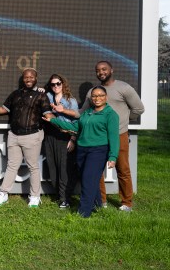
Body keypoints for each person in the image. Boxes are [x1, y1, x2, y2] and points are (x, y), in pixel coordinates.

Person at [0, 68, 51, 207]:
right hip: (14, 135)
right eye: (25, 77)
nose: (28, 79)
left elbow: (48, 114)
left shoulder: (41, 96)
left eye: (31, 77)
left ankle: (35, 197)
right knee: (12, 166)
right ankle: (3, 194)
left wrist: (60, 123)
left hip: (32, 135)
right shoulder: (15, 94)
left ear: (36, 78)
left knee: (33, 167)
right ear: (22, 79)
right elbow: (3, 110)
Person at [45, 86, 120, 217]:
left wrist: (113, 157)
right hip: (82, 150)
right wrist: (53, 120)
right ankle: (98, 205)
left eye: (100, 95)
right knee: (92, 180)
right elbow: (74, 127)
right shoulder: (87, 112)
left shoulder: (111, 114)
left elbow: (114, 137)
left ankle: (83, 212)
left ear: (106, 97)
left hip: (98, 151)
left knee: (88, 180)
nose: (97, 98)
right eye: (94, 96)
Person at [80, 61, 145, 212]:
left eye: (104, 69)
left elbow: (139, 108)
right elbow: (83, 112)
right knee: (97, 171)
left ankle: (126, 203)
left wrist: (123, 121)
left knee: (123, 169)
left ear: (111, 70)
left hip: (119, 134)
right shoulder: (92, 92)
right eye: (98, 70)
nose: (101, 72)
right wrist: (63, 111)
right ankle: (101, 201)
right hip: (99, 138)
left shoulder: (124, 88)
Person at [43, 74, 79, 208]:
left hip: (65, 136)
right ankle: (60, 195)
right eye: (53, 84)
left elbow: (76, 122)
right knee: (52, 168)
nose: (56, 86)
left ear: (63, 84)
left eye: (58, 83)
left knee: (65, 169)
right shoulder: (48, 96)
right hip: (50, 136)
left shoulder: (71, 101)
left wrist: (73, 139)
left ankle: (65, 198)